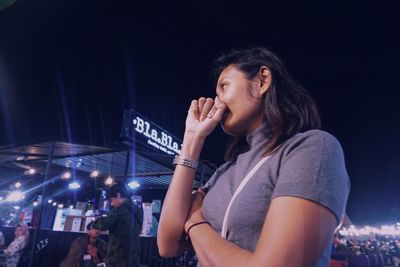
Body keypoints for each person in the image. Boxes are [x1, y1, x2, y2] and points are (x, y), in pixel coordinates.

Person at [158, 47, 350, 267]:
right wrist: (192, 139)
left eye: (224, 87)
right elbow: (168, 244)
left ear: (262, 81)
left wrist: (195, 224)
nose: (217, 101)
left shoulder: (312, 148)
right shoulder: (225, 171)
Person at [91, 183, 143, 267]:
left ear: (118, 195)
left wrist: (92, 224)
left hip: (118, 258)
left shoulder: (119, 210)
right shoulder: (137, 210)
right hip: (133, 257)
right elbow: (140, 229)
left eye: (111, 200)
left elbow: (104, 224)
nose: (111, 204)